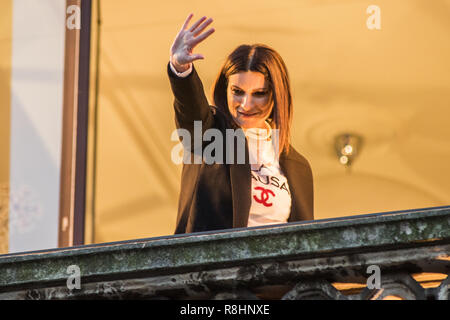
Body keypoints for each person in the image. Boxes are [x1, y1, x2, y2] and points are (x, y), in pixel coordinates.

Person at [168, 14, 313, 234]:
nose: (246, 104)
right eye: (237, 91)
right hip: (217, 267)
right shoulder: (211, 136)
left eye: (259, 93)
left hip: (276, 268)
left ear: (276, 95)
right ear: (225, 88)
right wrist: (180, 69)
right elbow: (191, 113)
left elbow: (307, 241)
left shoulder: (297, 166)